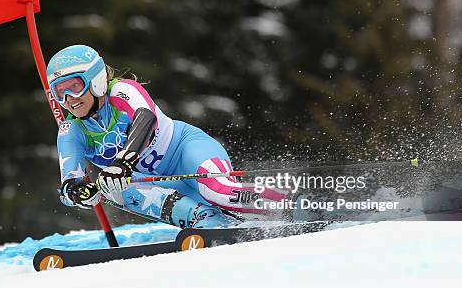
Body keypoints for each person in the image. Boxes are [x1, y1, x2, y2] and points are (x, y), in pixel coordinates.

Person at [47, 44, 284, 228]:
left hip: (185, 151)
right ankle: (209, 223)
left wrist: (123, 162)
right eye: (60, 92)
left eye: (74, 86)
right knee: (115, 189)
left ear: (95, 80)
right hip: (159, 184)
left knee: (218, 192)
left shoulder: (122, 91)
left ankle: (293, 205)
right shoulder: (71, 131)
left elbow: (145, 119)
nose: (69, 98)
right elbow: (69, 186)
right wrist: (79, 193)